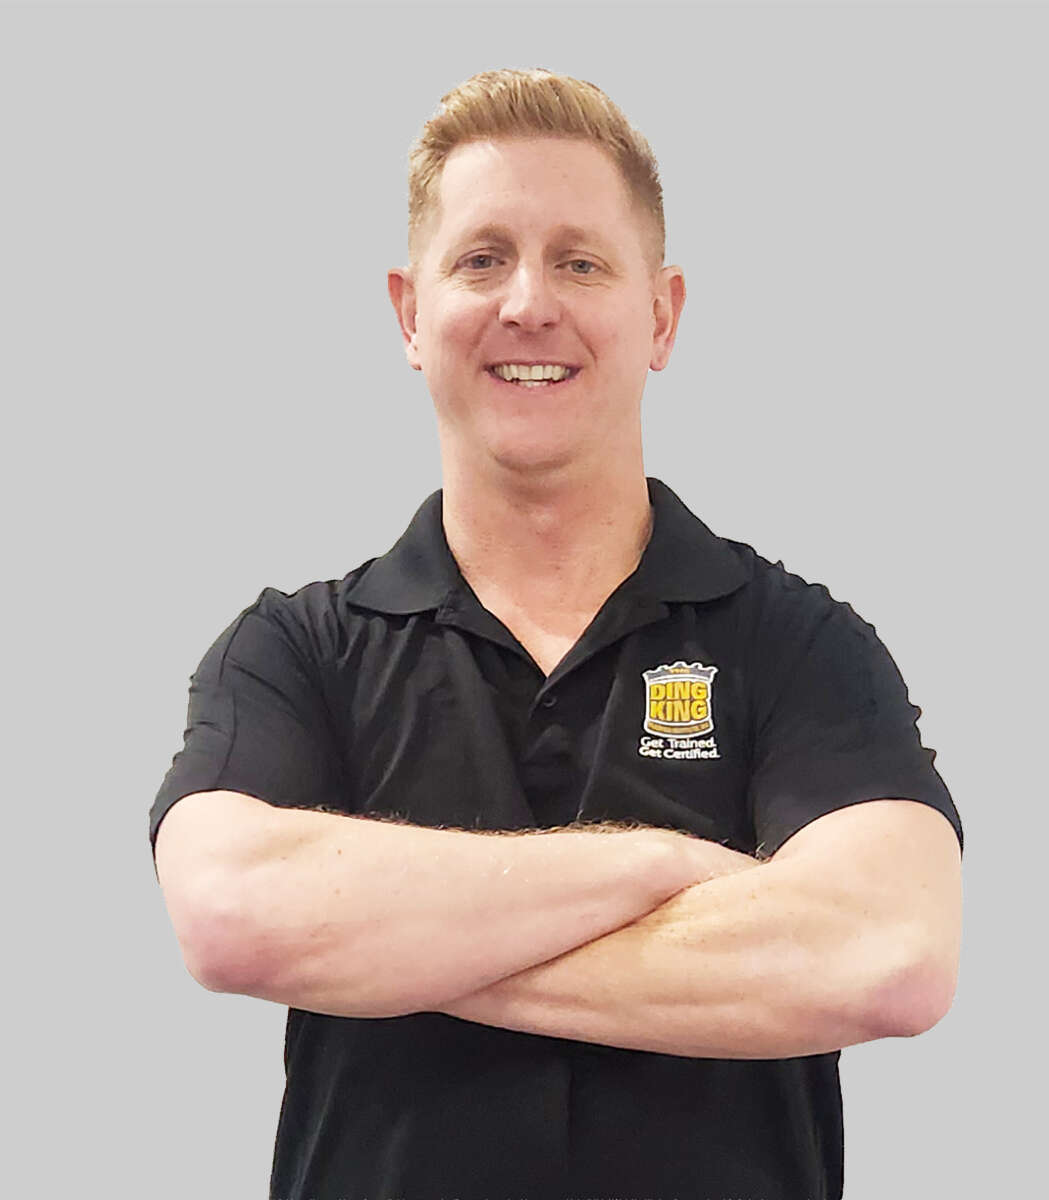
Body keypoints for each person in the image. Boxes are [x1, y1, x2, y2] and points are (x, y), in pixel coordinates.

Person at [150, 67, 964, 1200]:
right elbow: (233, 916)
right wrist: (663, 865)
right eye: (482, 259)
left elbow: (888, 956)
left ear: (663, 314)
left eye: (580, 261)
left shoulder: (802, 648)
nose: (529, 302)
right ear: (408, 313)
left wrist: (396, 944)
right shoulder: (293, 652)